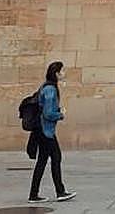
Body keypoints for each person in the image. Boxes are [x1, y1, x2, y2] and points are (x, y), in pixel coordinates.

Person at [28, 61, 77, 202]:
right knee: (55, 157)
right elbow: (48, 113)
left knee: (43, 160)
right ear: (56, 73)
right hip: (46, 131)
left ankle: (34, 194)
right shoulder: (50, 90)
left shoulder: (46, 86)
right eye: (62, 71)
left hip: (43, 130)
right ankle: (60, 192)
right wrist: (60, 114)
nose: (64, 73)